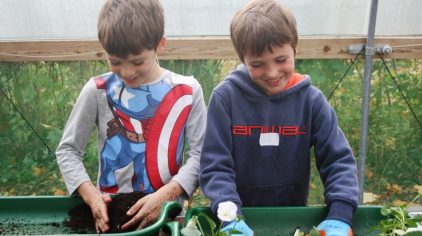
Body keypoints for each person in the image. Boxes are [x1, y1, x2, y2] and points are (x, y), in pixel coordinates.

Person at [199, 0, 359, 235]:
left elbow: (338, 161)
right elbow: (215, 166)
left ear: (296, 47)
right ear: (242, 59)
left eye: (281, 60)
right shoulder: (226, 98)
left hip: (291, 219)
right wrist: (230, 217)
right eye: (258, 64)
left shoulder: (311, 101)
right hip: (238, 218)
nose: (272, 72)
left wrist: (340, 214)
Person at [56, 0, 206, 233]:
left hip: (167, 216)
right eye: (115, 62)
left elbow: (200, 155)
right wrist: (91, 195)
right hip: (111, 217)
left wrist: (166, 196)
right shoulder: (98, 89)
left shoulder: (187, 91)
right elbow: (67, 151)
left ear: (160, 44)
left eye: (138, 62)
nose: (127, 72)